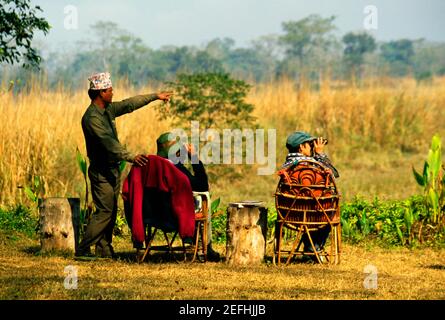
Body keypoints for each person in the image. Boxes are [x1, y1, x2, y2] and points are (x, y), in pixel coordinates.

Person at [76, 71, 172, 258]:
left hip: (112, 169)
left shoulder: (107, 110)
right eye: (110, 90)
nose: (113, 93)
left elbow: (129, 104)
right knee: (104, 210)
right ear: (100, 93)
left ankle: (104, 249)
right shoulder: (92, 118)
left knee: (110, 212)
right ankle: (83, 248)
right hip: (101, 171)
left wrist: (154, 96)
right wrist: (131, 156)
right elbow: (109, 144)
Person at [156, 132, 221, 261]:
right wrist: (194, 158)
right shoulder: (175, 168)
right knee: (204, 196)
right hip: (175, 215)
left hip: (155, 214)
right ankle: (207, 247)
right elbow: (202, 185)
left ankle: (201, 245)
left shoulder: (154, 166)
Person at [282, 131, 339, 261]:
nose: (311, 147)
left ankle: (310, 248)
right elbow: (334, 174)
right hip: (313, 213)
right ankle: (312, 249)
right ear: (301, 147)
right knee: (329, 213)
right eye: (309, 144)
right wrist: (319, 154)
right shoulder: (311, 165)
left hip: (290, 213)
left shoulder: (288, 165)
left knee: (317, 209)